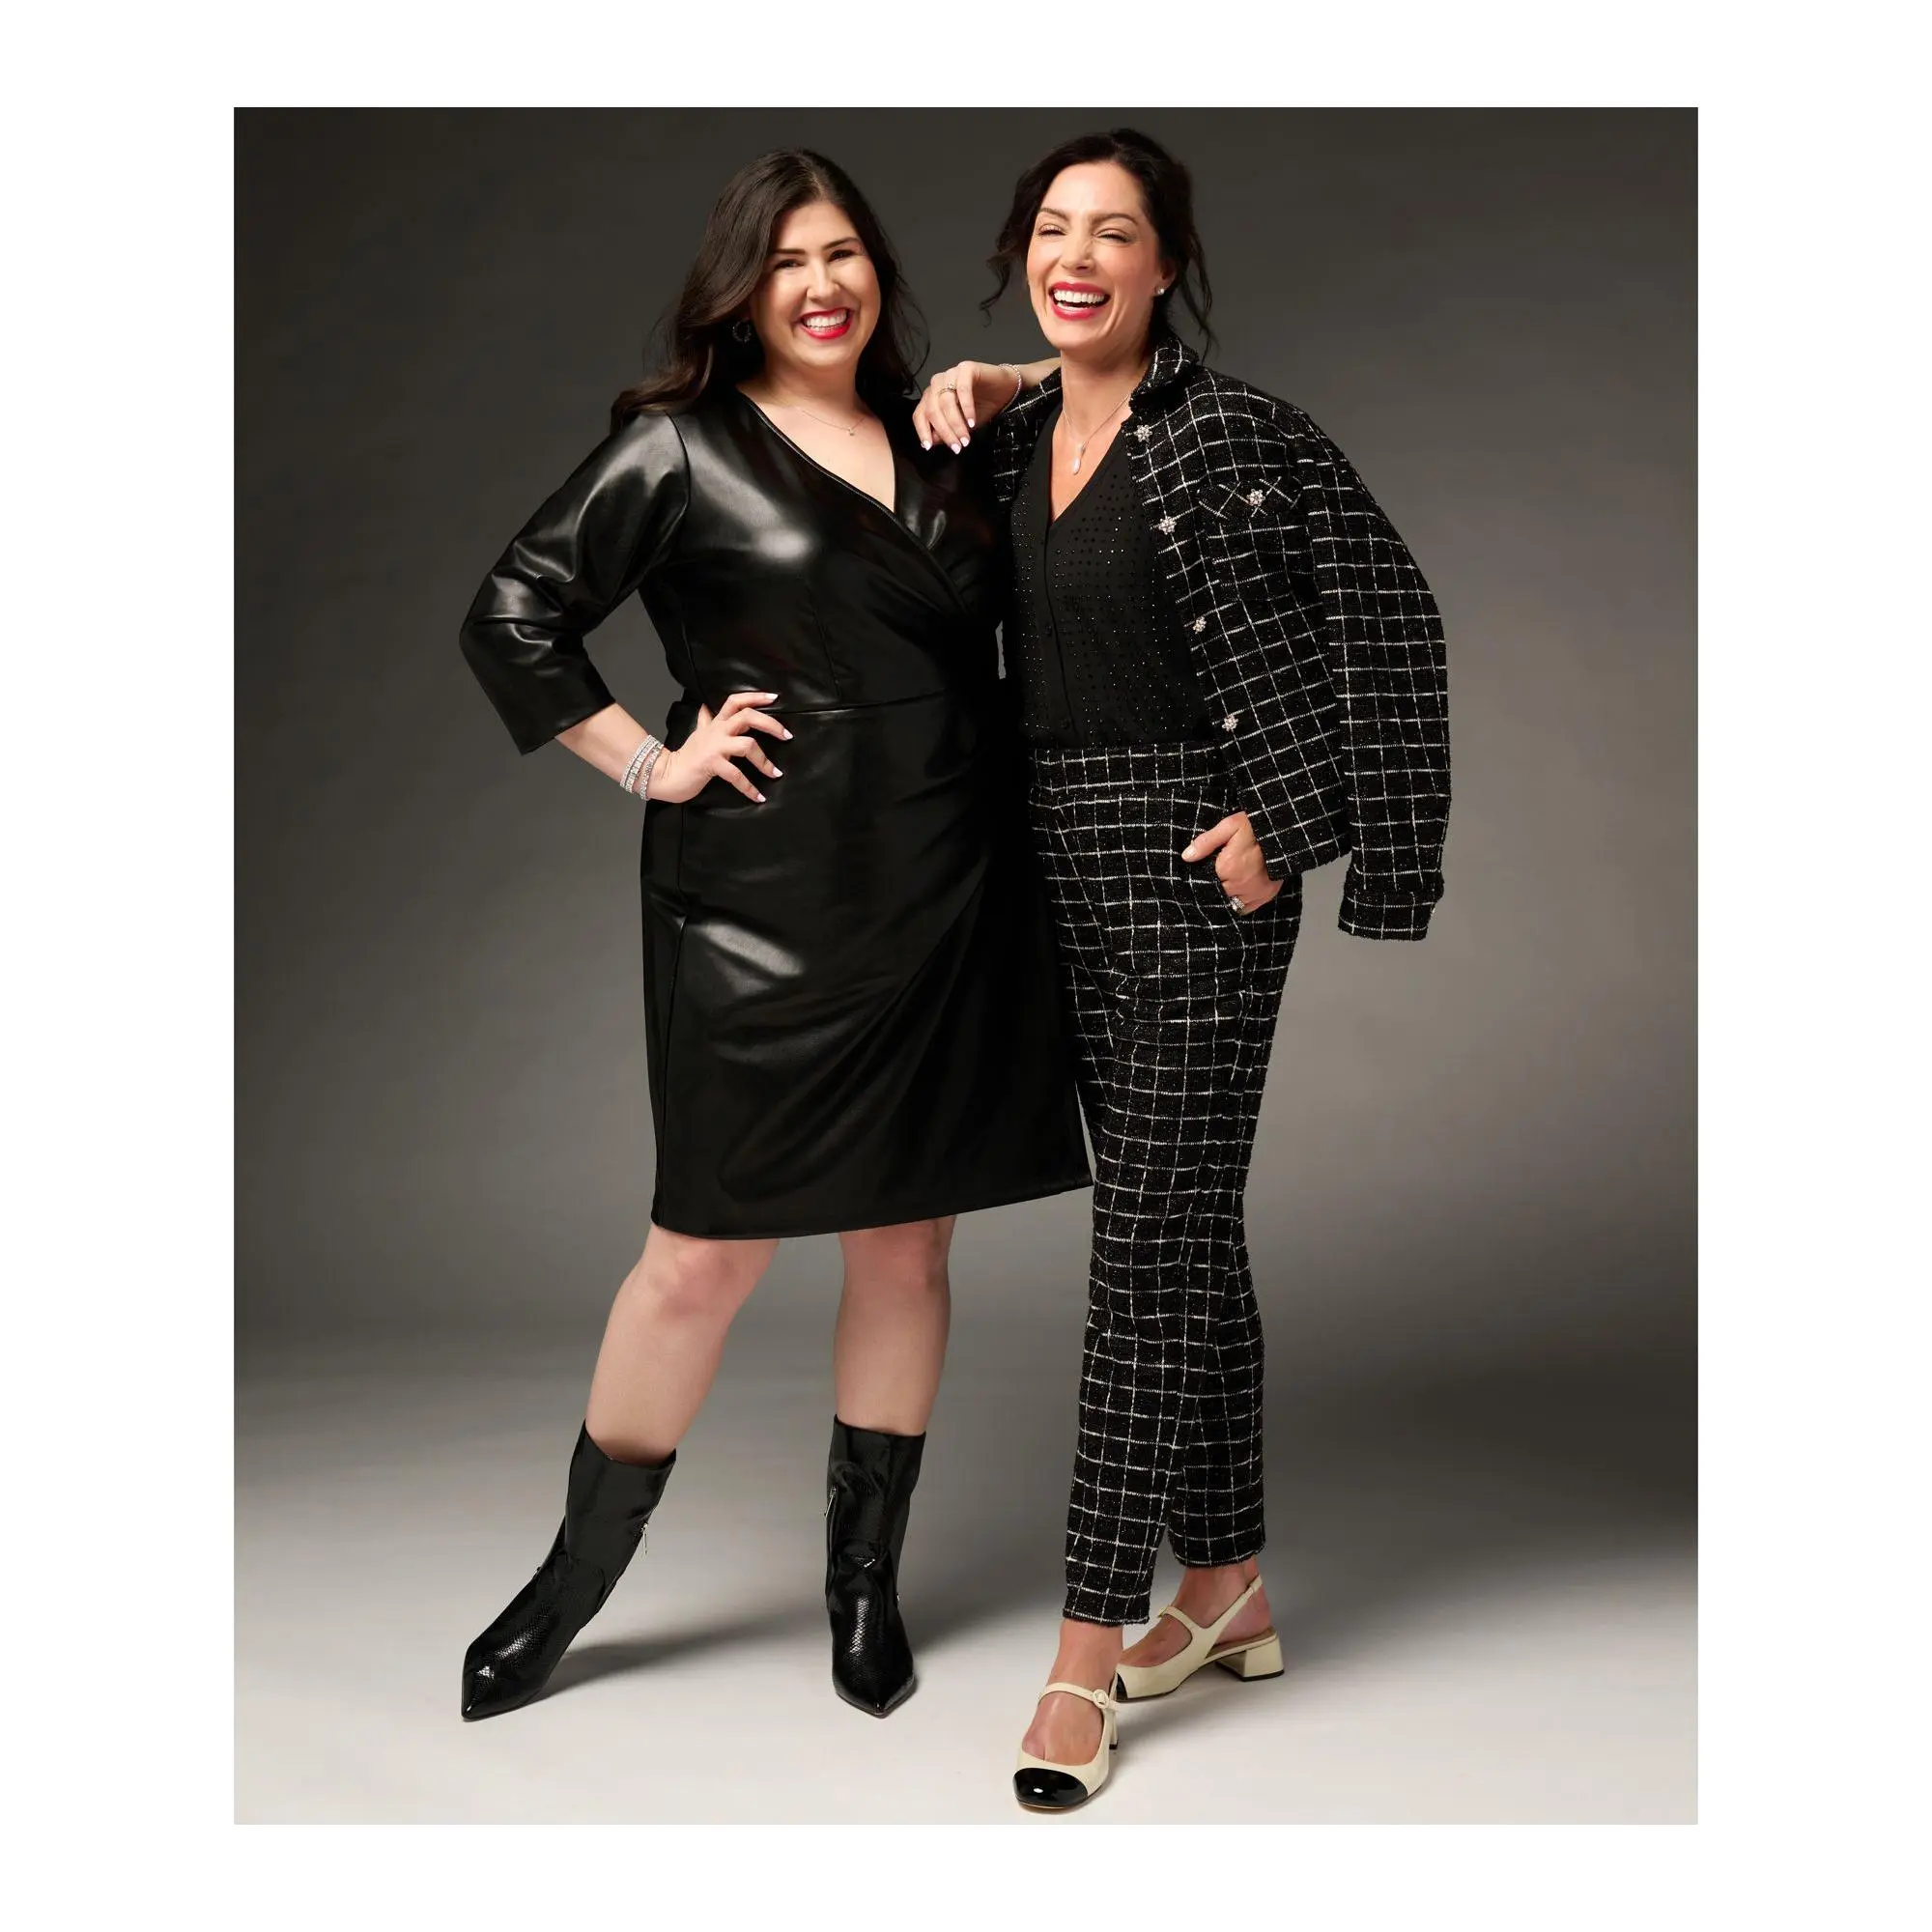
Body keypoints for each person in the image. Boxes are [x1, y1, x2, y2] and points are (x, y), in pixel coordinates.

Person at [455, 149, 1090, 1726]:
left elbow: (1119, 383)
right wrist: (648, 762)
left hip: (952, 879)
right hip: (757, 903)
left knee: (910, 1241)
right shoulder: (679, 446)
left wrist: (1006, 373)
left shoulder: (948, 437)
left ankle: (864, 1588)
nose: (821, 286)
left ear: (880, 273)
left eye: (845, 254)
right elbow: (513, 611)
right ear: (739, 290)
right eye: (788, 261)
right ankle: (568, 1587)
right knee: (701, 1257)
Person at [914, 127, 1451, 1809]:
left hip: (1193, 870)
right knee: (1184, 1219)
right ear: (1022, 255)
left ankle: (1085, 1649)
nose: (1078, 256)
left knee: (1145, 1241)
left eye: (1115, 233)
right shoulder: (1014, 440)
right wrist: (1002, 378)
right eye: (1052, 229)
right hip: (1050, 861)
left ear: (1167, 266)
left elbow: (1396, 623)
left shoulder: (1243, 435)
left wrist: (1298, 821)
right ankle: (1225, 1587)